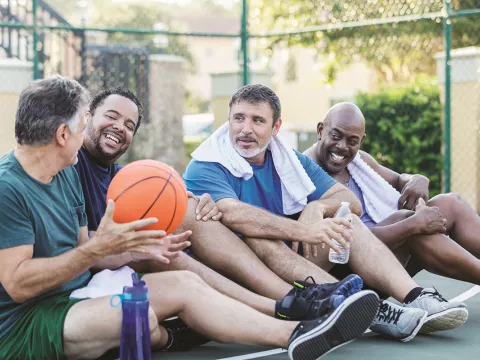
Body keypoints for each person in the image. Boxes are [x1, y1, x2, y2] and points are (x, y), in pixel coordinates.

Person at [0, 76, 380, 360]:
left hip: (74, 296)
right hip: (27, 325)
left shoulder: (64, 171)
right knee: (139, 322)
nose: (87, 134)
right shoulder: (8, 188)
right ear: (63, 133)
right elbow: (18, 284)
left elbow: (85, 250)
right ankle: (176, 334)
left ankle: (296, 332)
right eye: (85, 124)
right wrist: (100, 248)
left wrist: (134, 246)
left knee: (182, 280)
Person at [183, 84, 468, 342]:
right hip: (242, 273)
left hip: (295, 267)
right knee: (258, 237)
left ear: (276, 127)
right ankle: (375, 309)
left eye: (258, 120)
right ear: (228, 120)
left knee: (346, 221)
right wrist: (304, 230)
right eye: (238, 118)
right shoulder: (207, 164)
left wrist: (316, 207)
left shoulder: (289, 160)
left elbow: (349, 200)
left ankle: (416, 297)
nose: (246, 129)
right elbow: (233, 215)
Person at [305, 101, 480, 290]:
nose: (342, 146)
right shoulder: (305, 174)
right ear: (321, 130)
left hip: (391, 247)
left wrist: (417, 179)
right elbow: (348, 245)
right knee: (409, 222)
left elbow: (399, 180)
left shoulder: (359, 161)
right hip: (355, 273)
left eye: (352, 141)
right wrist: (411, 225)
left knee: (449, 203)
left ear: (361, 141)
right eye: (336, 136)